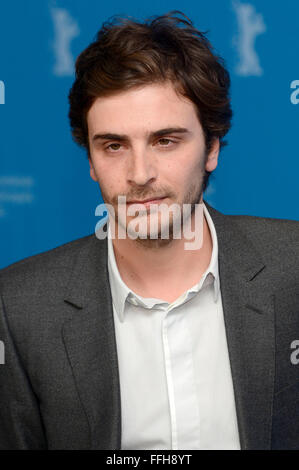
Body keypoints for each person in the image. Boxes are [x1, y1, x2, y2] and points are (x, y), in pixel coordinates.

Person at [0, 11, 299, 451]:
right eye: (114, 145)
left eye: (165, 140)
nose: (139, 174)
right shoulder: (18, 306)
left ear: (212, 148)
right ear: (90, 159)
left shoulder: (292, 269)